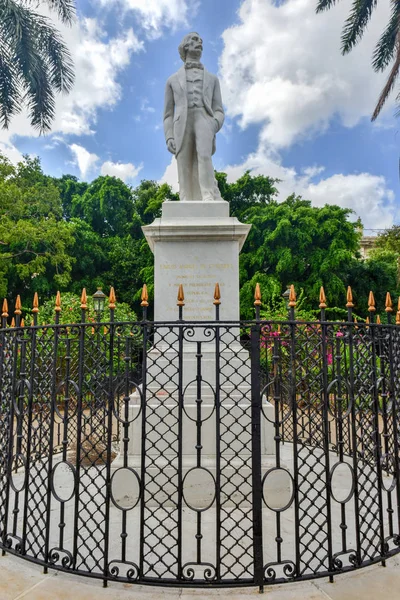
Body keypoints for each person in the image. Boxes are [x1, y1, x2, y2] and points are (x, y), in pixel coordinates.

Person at [163, 32, 225, 202]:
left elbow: (219, 109)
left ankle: (208, 195)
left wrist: (214, 124)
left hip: (204, 118)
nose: (200, 43)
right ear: (185, 46)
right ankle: (185, 197)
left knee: (204, 155)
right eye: (195, 40)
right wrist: (168, 136)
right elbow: (168, 114)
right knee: (183, 160)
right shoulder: (172, 80)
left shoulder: (213, 79)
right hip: (181, 122)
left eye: (201, 41)